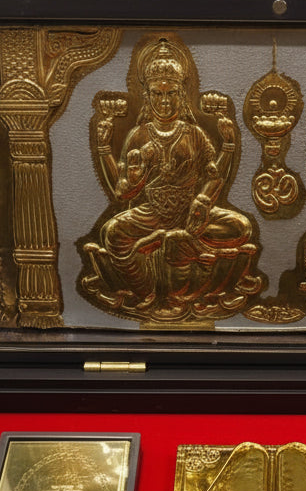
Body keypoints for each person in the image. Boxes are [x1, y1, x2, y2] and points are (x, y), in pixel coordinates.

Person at [84, 37, 260, 321]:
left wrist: (203, 200)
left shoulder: (194, 134)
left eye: (171, 94)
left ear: (182, 94)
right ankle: (147, 291)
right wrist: (110, 154)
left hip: (191, 215)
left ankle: (167, 244)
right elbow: (123, 194)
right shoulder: (138, 135)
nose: (164, 102)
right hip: (151, 214)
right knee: (112, 233)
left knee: (241, 226)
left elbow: (214, 177)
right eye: (157, 94)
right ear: (148, 96)